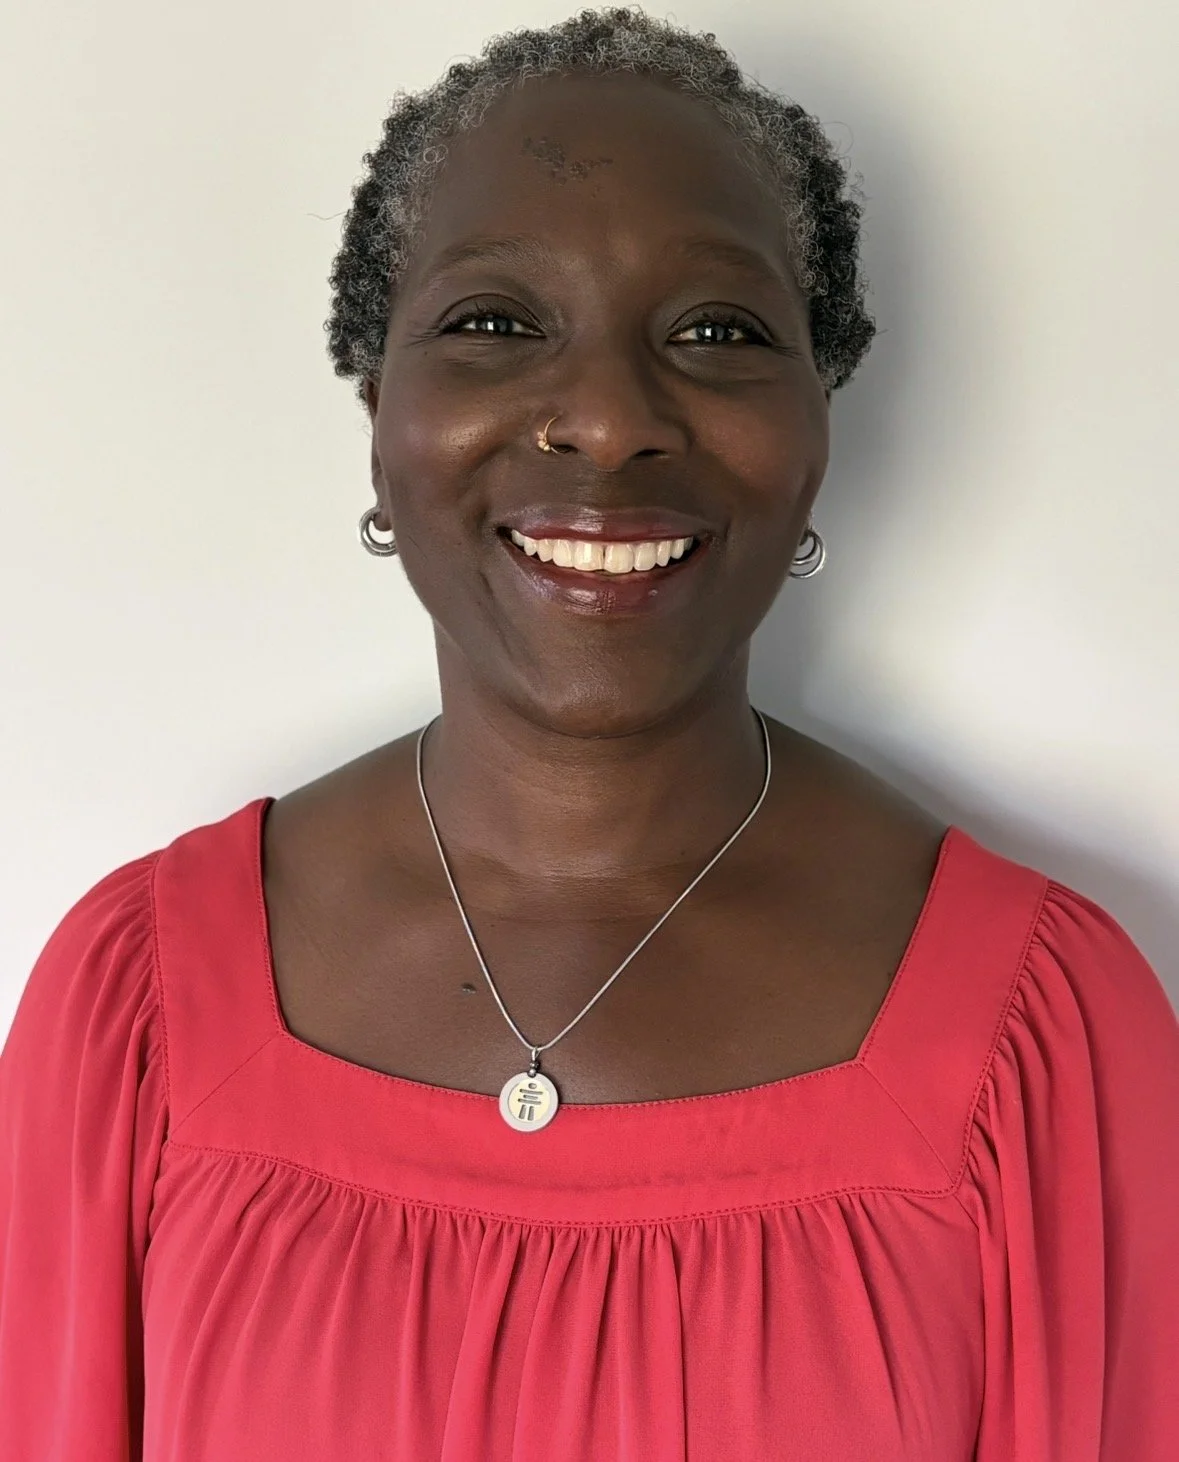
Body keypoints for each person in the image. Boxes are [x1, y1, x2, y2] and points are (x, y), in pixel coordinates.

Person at [2, 6, 1177, 1458]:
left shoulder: (1043, 1040)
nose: (610, 419)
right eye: (495, 324)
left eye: (716, 330)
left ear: (818, 417)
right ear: (381, 405)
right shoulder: (137, 1011)